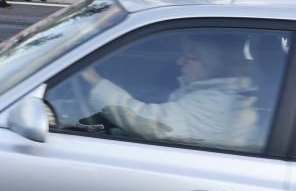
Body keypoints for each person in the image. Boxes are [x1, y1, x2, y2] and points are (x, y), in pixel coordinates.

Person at [79, 38, 258, 151]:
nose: (180, 61)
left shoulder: (214, 104)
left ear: (212, 62)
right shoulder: (221, 92)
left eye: (189, 56)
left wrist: (95, 81)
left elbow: (151, 123)